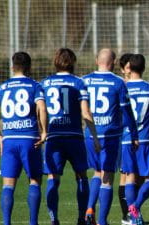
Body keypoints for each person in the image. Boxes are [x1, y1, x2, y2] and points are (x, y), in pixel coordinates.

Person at [0, 52, 47, 225]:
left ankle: (6, 223)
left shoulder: (2, 87)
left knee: (8, 185)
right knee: (34, 181)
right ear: (29, 67)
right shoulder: (35, 85)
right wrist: (44, 132)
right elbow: (41, 107)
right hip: (30, 139)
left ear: (12, 67)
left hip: (10, 140)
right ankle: (33, 222)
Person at [41, 48, 100, 225]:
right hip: (74, 136)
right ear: (73, 62)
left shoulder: (44, 83)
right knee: (82, 176)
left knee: (53, 177)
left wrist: (42, 130)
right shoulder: (79, 83)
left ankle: (54, 219)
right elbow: (86, 113)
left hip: (54, 137)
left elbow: (40, 110)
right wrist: (95, 137)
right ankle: (81, 219)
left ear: (56, 62)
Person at [83, 48, 139, 225]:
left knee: (96, 173)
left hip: (90, 135)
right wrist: (134, 133)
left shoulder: (84, 81)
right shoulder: (118, 82)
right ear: (113, 62)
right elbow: (127, 111)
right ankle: (102, 220)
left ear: (96, 60)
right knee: (107, 177)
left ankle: (89, 208)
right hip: (111, 136)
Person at [122, 54, 149, 225]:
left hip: (126, 140)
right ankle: (136, 207)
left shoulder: (121, 87)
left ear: (128, 68)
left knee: (130, 177)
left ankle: (134, 217)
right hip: (145, 139)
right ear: (144, 68)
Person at [118, 53, 135, 225]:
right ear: (123, 70)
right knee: (125, 176)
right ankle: (126, 216)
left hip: (138, 138)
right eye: (128, 68)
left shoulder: (140, 85)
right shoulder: (120, 85)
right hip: (124, 137)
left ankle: (133, 214)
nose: (131, 71)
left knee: (135, 177)